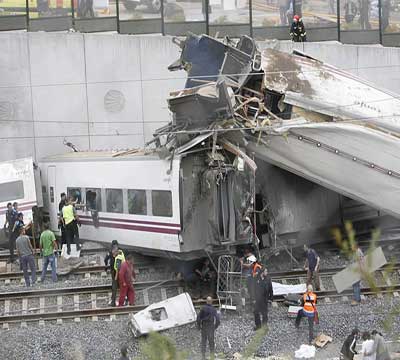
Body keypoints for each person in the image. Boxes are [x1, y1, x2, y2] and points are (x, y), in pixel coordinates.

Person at [197, 296, 220, 360]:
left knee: (203, 342)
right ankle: (212, 357)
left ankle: (203, 357)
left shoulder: (203, 308)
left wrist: (199, 326)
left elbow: (198, 318)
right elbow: (218, 320)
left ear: (206, 301)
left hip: (204, 327)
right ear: (212, 301)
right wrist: (215, 327)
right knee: (211, 342)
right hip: (210, 327)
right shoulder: (213, 309)